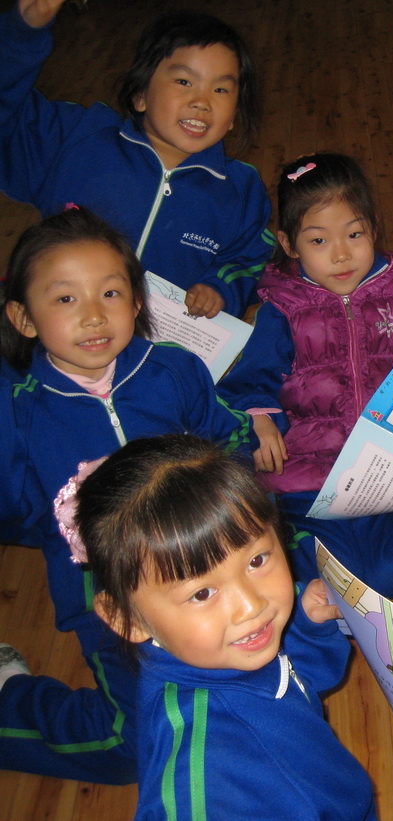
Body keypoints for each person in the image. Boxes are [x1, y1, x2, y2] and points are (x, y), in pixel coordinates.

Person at [0, 207, 252, 783]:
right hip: (107, 593)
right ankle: (12, 699)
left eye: (111, 292)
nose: (93, 314)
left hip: (205, 562)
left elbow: (227, 438)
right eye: (65, 298)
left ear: (137, 302)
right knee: (132, 745)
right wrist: (73, 534)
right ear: (24, 318)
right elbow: (16, 513)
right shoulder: (18, 413)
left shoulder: (173, 369)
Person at [65, 434, 376, 820]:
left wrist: (306, 628)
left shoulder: (222, 645)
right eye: (201, 594)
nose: (252, 605)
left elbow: (294, 686)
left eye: (257, 560)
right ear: (125, 619)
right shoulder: (205, 784)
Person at [217, 153, 393, 597]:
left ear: (373, 227)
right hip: (308, 487)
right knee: (315, 580)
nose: (341, 254)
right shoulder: (282, 311)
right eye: (318, 240)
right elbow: (249, 379)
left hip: (387, 481)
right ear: (289, 244)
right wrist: (260, 418)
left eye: (354, 234)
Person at [0, 0, 273, 318]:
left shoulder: (241, 192)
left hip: (157, 344)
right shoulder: (75, 139)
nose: (202, 101)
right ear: (140, 95)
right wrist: (23, 31)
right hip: (56, 334)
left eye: (221, 90)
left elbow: (250, 260)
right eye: (184, 81)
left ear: (233, 117)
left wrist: (220, 288)